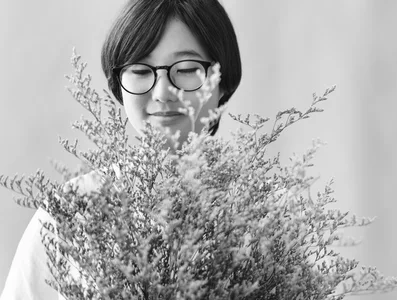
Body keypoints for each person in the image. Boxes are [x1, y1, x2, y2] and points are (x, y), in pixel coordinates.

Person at [0, 0, 242, 299]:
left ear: (223, 81)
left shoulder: (264, 213)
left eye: (187, 68)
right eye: (140, 70)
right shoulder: (71, 212)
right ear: (119, 85)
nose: (163, 92)